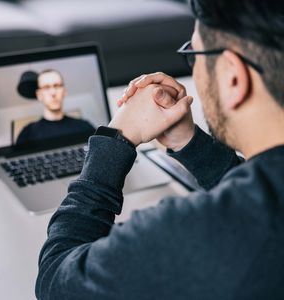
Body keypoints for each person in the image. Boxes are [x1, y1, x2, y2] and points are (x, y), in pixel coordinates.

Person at [36, 0, 284, 299]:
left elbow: (56, 279)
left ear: (233, 76)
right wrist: (190, 143)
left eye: (195, 55)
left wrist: (116, 139)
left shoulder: (193, 235)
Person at [15, 69, 95, 145]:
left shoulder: (84, 127)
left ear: (64, 91)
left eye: (57, 86)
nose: (53, 92)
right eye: (46, 87)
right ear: (39, 95)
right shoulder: (27, 133)